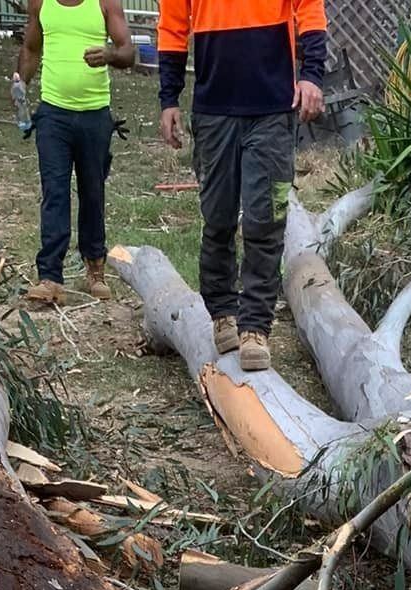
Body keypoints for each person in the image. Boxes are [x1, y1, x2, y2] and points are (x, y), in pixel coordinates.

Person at [145, 0, 327, 371]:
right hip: (214, 111)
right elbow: (173, 26)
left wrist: (311, 74)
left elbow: (310, 8)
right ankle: (223, 313)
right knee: (218, 218)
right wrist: (169, 98)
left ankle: (255, 326)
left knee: (265, 220)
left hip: (273, 108)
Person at [16, 0, 134, 307]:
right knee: (54, 190)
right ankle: (50, 276)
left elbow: (127, 51)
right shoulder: (40, 3)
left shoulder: (106, 3)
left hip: (95, 116)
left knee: (92, 192)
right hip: (53, 115)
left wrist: (109, 55)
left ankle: (95, 267)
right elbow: (31, 48)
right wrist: (20, 85)